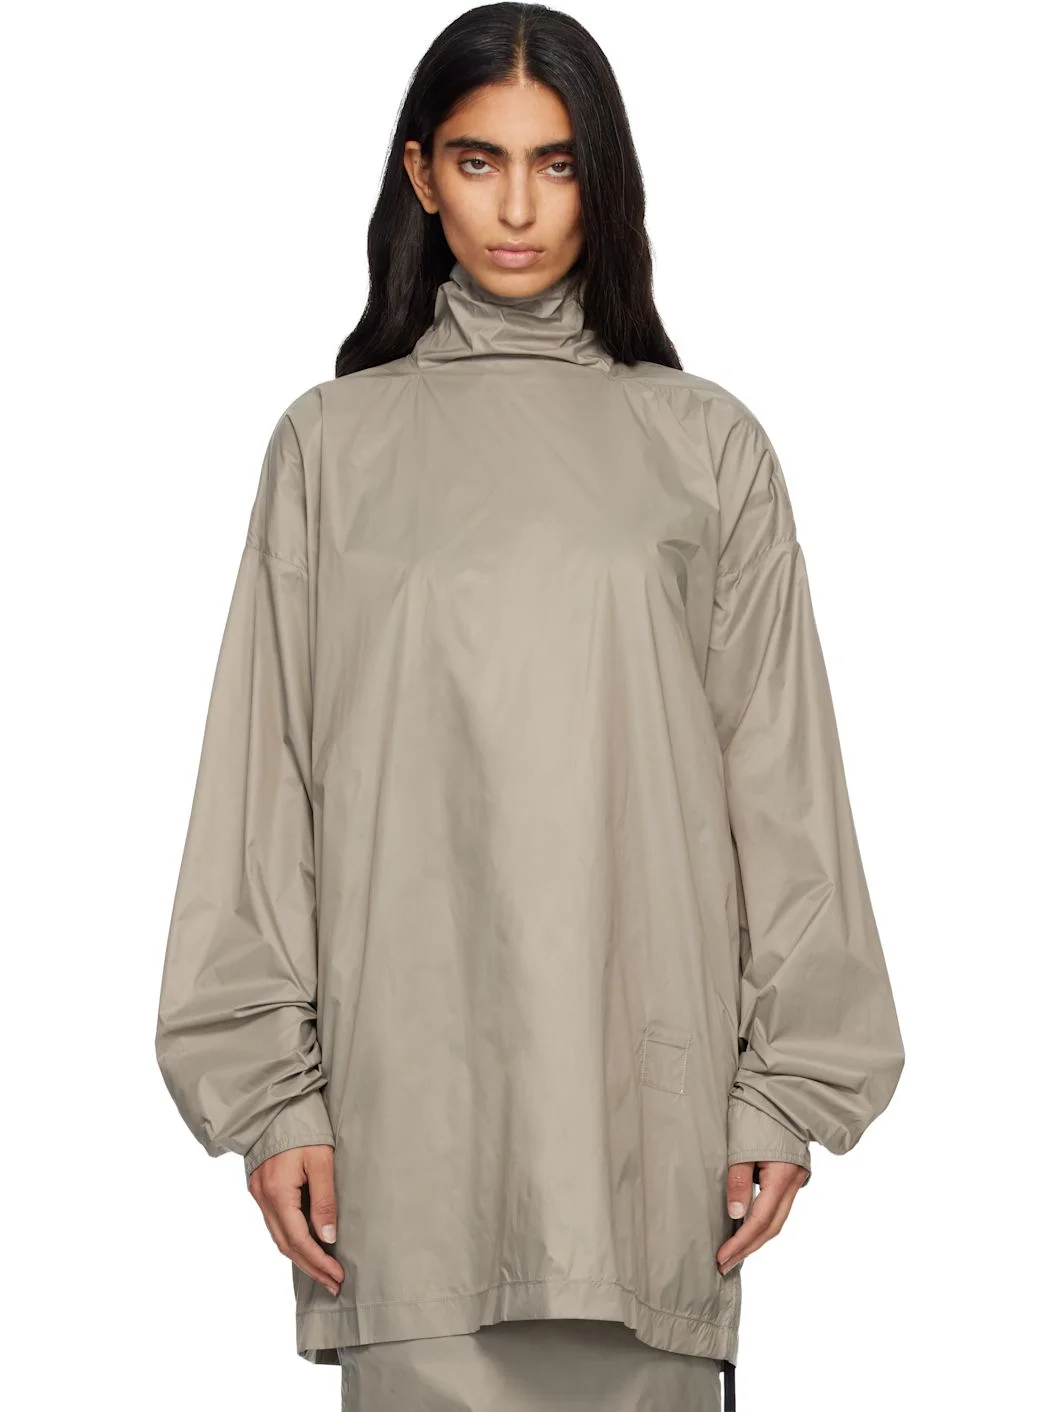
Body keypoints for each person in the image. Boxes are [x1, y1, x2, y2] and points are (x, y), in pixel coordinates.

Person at [154, 5, 906, 1410]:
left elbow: (783, 787)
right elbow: (262, 792)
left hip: (647, 1142)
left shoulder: (705, 446)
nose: (516, 208)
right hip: (403, 1139)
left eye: (556, 165)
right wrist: (270, 1095)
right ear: (420, 174)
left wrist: (785, 1088)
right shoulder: (330, 447)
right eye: (479, 160)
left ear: (602, 181)